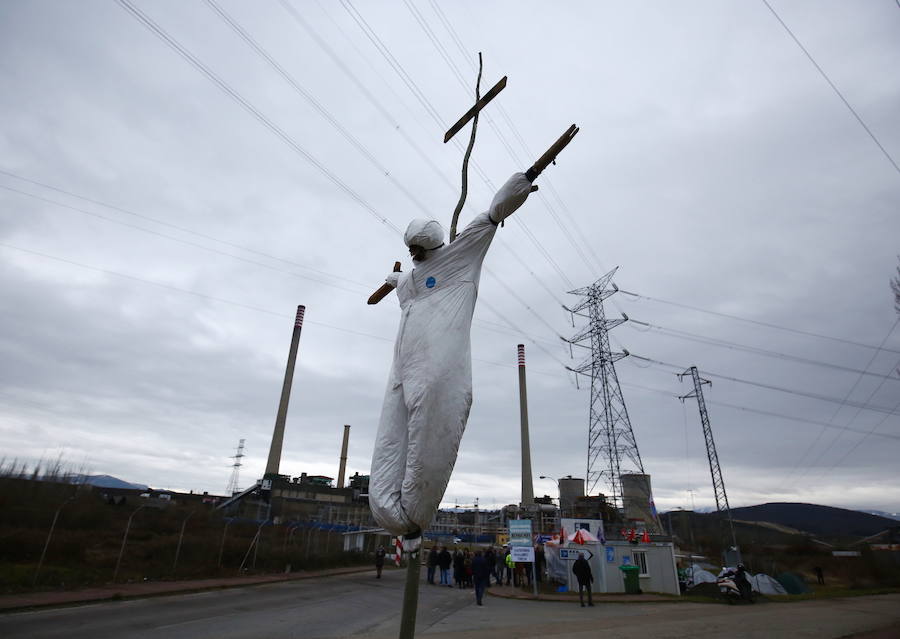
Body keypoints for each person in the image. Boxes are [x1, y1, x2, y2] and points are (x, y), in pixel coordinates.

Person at [369, 174, 536, 539]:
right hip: (404, 362)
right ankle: (388, 509)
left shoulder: (460, 256)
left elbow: (490, 217)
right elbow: (404, 283)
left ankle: (415, 514)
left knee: (432, 421)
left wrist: (521, 185)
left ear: (430, 246)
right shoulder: (413, 278)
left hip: (438, 361)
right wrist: (394, 280)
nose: (416, 255)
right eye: (412, 250)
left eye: (418, 249)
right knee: (392, 434)